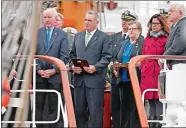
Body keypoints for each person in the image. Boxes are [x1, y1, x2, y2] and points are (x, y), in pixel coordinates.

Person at [70, 10, 112, 127]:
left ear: (96, 22)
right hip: (79, 81)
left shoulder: (104, 37)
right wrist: (72, 67)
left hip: (94, 81)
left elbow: (107, 57)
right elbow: (72, 54)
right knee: (79, 112)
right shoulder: (78, 36)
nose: (86, 22)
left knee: (95, 113)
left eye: (89, 20)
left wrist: (95, 67)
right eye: (85, 20)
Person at [35, 8, 69, 128]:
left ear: (55, 19)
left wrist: (53, 70)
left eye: (49, 17)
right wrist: (38, 70)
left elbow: (64, 57)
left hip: (55, 77)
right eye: (45, 17)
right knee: (38, 107)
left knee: (53, 107)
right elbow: (33, 54)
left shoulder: (62, 35)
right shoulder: (37, 33)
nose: (47, 20)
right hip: (39, 77)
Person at [140, 14, 170, 127]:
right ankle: (151, 124)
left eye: (156, 23)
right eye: (152, 23)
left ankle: (158, 124)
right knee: (150, 101)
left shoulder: (167, 38)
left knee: (159, 101)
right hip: (147, 74)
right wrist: (142, 67)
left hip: (159, 73)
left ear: (162, 25)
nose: (154, 26)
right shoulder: (147, 38)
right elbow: (143, 54)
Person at [110, 9, 138, 128]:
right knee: (116, 106)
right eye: (123, 20)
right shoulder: (114, 37)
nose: (124, 22)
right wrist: (113, 67)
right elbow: (110, 55)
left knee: (129, 107)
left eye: (128, 20)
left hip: (129, 78)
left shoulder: (139, 39)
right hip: (116, 78)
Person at [115, 21, 144, 128]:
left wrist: (136, 64)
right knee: (124, 106)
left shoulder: (143, 42)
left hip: (136, 78)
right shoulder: (124, 43)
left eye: (134, 29)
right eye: (129, 29)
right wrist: (116, 66)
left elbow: (144, 59)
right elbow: (117, 57)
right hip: (123, 78)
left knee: (134, 106)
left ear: (139, 31)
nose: (130, 31)